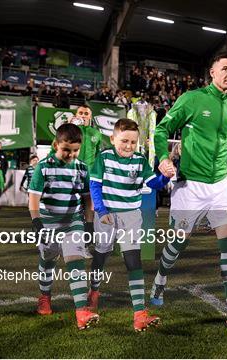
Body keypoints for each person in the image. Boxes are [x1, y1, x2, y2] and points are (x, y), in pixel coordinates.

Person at [150, 51, 227, 331]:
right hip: (189, 185)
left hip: (220, 186)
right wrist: (163, 158)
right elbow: (162, 130)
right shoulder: (191, 99)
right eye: (225, 68)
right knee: (177, 244)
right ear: (212, 72)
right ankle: (160, 280)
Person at [88, 118, 170, 331]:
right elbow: (94, 185)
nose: (128, 146)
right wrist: (101, 210)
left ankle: (139, 314)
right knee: (101, 255)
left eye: (133, 142)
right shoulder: (103, 157)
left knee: (133, 260)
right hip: (106, 216)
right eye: (124, 141)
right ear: (112, 138)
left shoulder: (141, 160)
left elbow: (153, 183)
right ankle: (93, 293)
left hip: (132, 216)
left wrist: (165, 177)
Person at [28, 123, 99, 330]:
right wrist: (36, 222)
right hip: (48, 221)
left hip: (72, 221)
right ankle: (45, 297)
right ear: (56, 144)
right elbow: (33, 198)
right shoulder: (43, 167)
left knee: (75, 259)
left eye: (75, 150)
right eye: (66, 149)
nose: (70, 154)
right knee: (48, 260)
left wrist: (89, 224)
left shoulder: (82, 168)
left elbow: (87, 199)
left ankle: (81, 312)